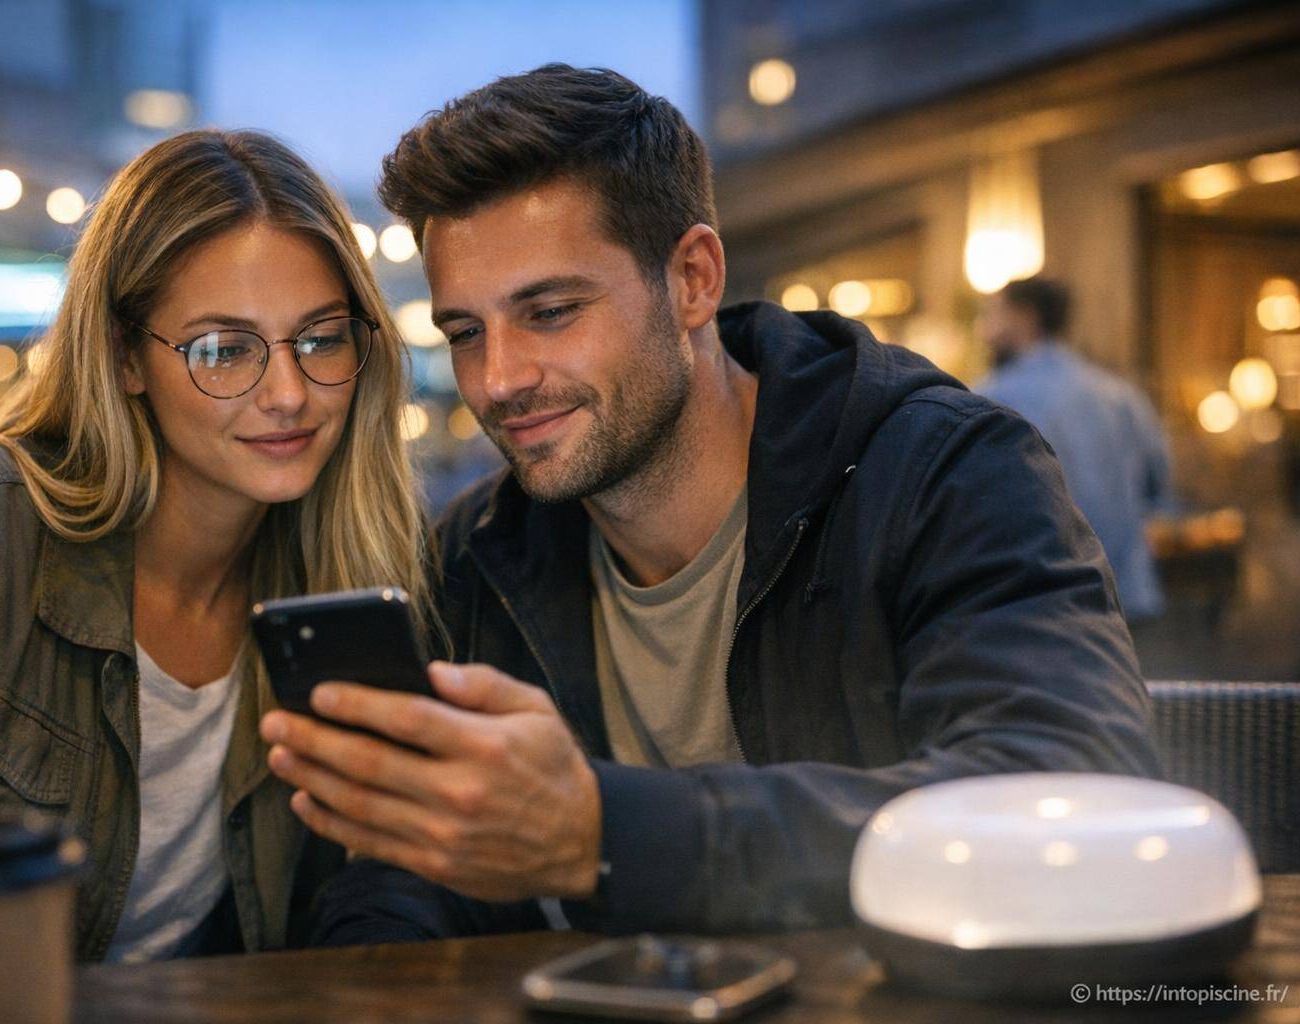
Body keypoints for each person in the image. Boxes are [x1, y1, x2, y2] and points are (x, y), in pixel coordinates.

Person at [258, 65, 1163, 941]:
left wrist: (603, 835)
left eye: (552, 311)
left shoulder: (942, 472)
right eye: (465, 332)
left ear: (693, 279)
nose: (497, 381)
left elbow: (1072, 798)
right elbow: (408, 874)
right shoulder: (480, 551)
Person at [0, 129, 431, 977]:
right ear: (123, 358)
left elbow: (370, 896)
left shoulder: (356, 578)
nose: (289, 393)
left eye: (321, 338)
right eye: (223, 350)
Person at [976, 278, 1173, 621]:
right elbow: (1159, 486)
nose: (984, 328)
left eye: (994, 313)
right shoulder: (1121, 395)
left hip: (1040, 601)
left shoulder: (991, 399)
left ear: (1024, 317)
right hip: (1124, 595)